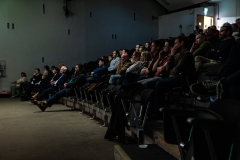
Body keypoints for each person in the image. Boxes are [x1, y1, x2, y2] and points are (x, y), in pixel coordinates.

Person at [150, 36, 195, 117]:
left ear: (181, 43)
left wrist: (171, 57)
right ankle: (149, 111)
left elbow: (176, 70)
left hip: (182, 79)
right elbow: (168, 69)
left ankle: (158, 113)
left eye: (175, 43)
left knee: (159, 84)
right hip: (173, 77)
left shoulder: (187, 54)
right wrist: (172, 56)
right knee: (151, 84)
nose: (174, 46)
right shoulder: (176, 55)